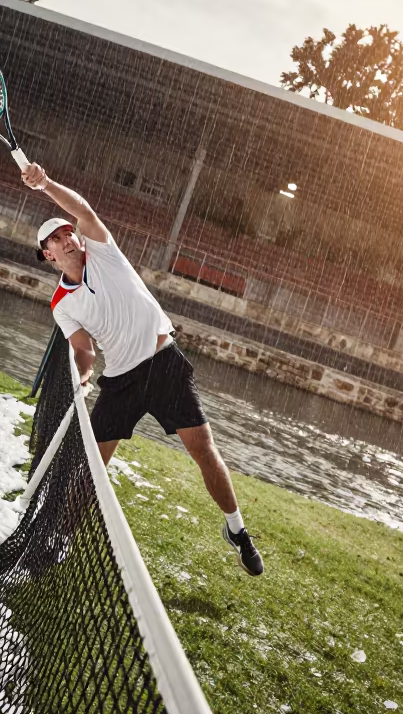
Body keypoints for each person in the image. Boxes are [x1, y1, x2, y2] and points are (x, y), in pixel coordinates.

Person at [22, 162, 263, 576]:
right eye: (57, 240)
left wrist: (45, 185)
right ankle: (60, 539)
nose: (67, 240)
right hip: (121, 382)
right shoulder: (62, 304)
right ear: (48, 255)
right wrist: (82, 373)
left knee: (204, 451)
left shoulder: (102, 249)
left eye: (67, 233)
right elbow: (83, 349)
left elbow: (82, 209)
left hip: (165, 365)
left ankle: (237, 530)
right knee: (92, 467)